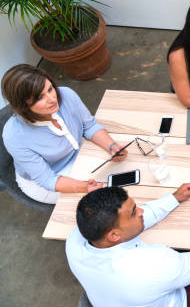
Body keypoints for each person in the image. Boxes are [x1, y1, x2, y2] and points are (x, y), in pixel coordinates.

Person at [66, 184, 190, 307]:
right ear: (114, 235)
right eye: (133, 212)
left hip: (125, 302)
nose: (141, 211)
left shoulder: (75, 240)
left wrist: (175, 198)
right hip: (181, 304)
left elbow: (140, 218)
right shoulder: (155, 264)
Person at [1, 64, 127, 204]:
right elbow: (47, 179)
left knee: (121, 174)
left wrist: (112, 146)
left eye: (50, 89)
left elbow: (89, 126)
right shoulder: (14, 136)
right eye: (40, 98)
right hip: (48, 179)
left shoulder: (66, 95)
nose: (52, 99)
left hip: (77, 155)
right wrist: (84, 187)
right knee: (102, 200)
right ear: (22, 105)